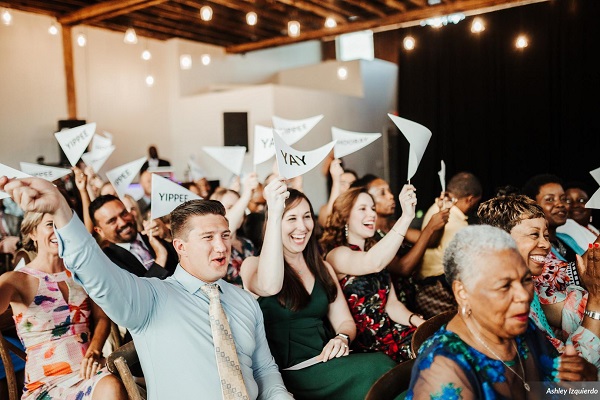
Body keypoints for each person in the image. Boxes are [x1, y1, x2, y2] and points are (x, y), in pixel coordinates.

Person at [0, 175, 292, 400]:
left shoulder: (244, 301)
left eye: (225, 235)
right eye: (208, 237)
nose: (221, 246)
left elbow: (264, 370)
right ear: (181, 246)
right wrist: (61, 211)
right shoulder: (152, 299)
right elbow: (98, 274)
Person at [241, 178, 396, 400]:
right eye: (291, 218)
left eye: (306, 217)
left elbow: (345, 321)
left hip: (328, 363)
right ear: (274, 223)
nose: (302, 227)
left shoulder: (322, 267)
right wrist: (274, 211)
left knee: (386, 369)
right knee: (379, 368)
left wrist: (341, 338)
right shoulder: (253, 265)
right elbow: (268, 285)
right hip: (290, 374)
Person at [406, 225, 597, 399]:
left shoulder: (522, 330)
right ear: (462, 292)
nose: (523, 295)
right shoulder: (444, 370)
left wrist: (587, 384)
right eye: (504, 286)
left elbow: (554, 390)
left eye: (525, 280)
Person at [0, 210, 126, 399]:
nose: (58, 232)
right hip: (44, 383)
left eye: (62, 225)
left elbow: (102, 318)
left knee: (112, 385)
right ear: (32, 232)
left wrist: (94, 349)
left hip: (88, 372)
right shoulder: (16, 280)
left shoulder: (81, 273)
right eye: (50, 225)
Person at [478, 194, 600, 369]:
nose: (545, 244)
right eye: (534, 235)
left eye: (546, 235)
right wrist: (596, 300)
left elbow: (569, 309)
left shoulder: (525, 285)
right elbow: (566, 374)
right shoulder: (500, 301)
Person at [320, 186, 425, 362]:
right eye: (363, 209)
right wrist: (406, 217)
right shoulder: (336, 255)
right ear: (345, 216)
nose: (372, 214)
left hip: (393, 334)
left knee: (442, 345)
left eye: (373, 208)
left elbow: (392, 305)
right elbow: (373, 262)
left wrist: (419, 323)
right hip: (366, 346)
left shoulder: (376, 252)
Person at [416, 172, 482, 318]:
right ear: (470, 199)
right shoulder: (459, 226)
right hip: (437, 286)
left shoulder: (436, 208)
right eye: (475, 203)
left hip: (424, 281)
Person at [522, 174, 600, 289]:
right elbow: (563, 277)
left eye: (563, 199)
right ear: (532, 206)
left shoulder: (567, 239)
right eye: (550, 199)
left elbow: (594, 266)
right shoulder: (531, 245)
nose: (560, 204)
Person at [89, 194, 178, 278]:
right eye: (112, 221)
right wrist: (161, 257)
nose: (123, 223)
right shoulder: (106, 261)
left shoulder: (155, 235)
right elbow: (138, 292)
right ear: (100, 231)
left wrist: (168, 237)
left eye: (124, 213)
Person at [210, 173, 259, 287]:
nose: (239, 211)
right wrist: (247, 193)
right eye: (231, 207)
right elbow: (226, 227)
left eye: (240, 206)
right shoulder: (215, 246)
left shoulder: (248, 244)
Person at [557, 182, 599, 250]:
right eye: (568, 201)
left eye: (581, 200)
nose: (575, 205)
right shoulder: (566, 226)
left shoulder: (591, 228)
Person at [317, 159, 357, 227]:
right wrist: (336, 180)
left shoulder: (361, 208)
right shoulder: (324, 209)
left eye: (352, 184)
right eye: (342, 183)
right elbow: (327, 223)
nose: (348, 187)